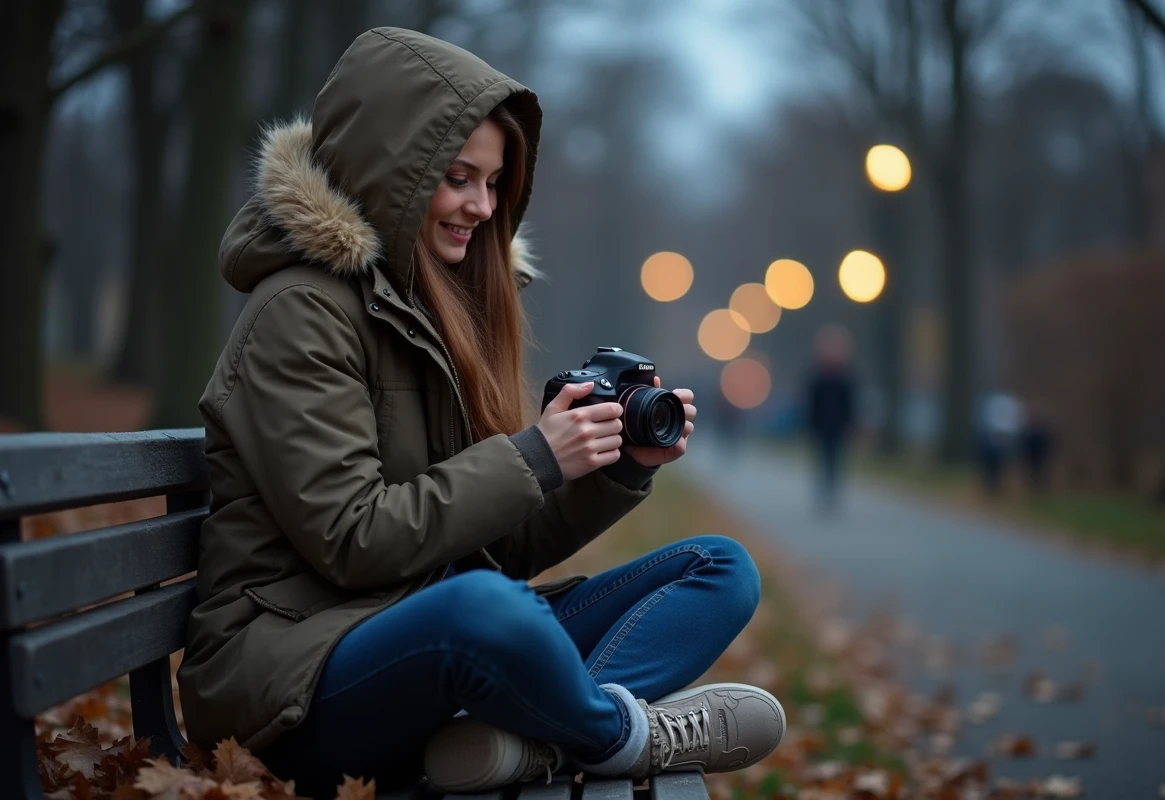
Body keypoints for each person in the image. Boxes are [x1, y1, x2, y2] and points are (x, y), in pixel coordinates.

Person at [177, 28, 784, 798]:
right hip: (296, 682)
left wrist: (614, 471)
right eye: (458, 178)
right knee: (486, 610)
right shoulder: (300, 313)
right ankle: (620, 737)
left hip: (432, 642)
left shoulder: (441, 309)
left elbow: (496, 550)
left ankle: (526, 744)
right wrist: (535, 457)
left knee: (719, 568)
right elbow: (353, 539)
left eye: (494, 183)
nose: (482, 206)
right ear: (388, 169)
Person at [803, 325, 856, 511]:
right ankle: (823, 492)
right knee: (822, 459)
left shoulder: (846, 377)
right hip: (820, 426)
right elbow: (810, 403)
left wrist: (851, 424)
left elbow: (850, 404)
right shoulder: (817, 376)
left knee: (836, 460)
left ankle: (832, 492)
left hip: (839, 426)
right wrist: (809, 425)